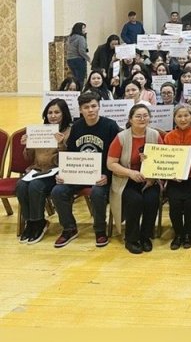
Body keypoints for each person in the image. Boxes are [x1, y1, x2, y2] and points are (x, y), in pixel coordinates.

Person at [51, 91, 121, 248]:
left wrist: (108, 176)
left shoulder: (110, 126)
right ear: (80, 110)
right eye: (86, 107)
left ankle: (100, 230)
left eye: (94, 106)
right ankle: (69, 229)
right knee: (58, 191)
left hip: (102, 175)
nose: (91, 110)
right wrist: (65, 173)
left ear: (99, 107)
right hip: (79, 174)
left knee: (97, 192)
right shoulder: (76, 127)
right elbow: (71, 154)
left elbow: (118, 155)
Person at [107, 104, 163, 254]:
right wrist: (130, 173)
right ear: (130, 119)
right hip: (125, 179)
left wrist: (152, 178)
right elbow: (111, 163)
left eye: (145, 115)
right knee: (135, 201)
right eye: (138, 116)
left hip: (149, 178)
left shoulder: (155, 135)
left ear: (150, 118)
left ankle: (145, 237)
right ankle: (131, 239)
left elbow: (161, 159)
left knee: (151, 199)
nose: (142, 119)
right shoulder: (121, 137)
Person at [16, 99, 72, 244]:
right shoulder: (40, 131)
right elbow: (28, 158)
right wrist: (27, 146)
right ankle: (30, 222)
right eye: (50, 112)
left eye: (57, 112)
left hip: (55, 172)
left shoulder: (68, 132)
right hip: (36, 170)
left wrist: (61, 145)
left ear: (64, 114)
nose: (53, 116)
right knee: (21, 186)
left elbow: (67, 160)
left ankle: (39, 221)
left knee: (36, 186)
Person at [163, 105, 191, 249]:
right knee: (175, 204)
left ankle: (188, 233)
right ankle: (178, 234)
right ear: (174, 118)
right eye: (179, 116)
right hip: (175, 177)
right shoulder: (168, 137)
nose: (183, 119)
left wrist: (187, 170)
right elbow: (165, 159)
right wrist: (173, 173)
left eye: (186, 116)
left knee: (190, 203)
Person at [66, 22, 91, 88]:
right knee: (80, 79)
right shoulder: (81, 38)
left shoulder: (70, 38)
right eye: (83, 28)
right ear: (79, 29)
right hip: (78, 59)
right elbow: (81, 51)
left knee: (75, 78)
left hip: (70, 59)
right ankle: (79, 93)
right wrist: (89, 59)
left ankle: (74, 91)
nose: (84, 30)